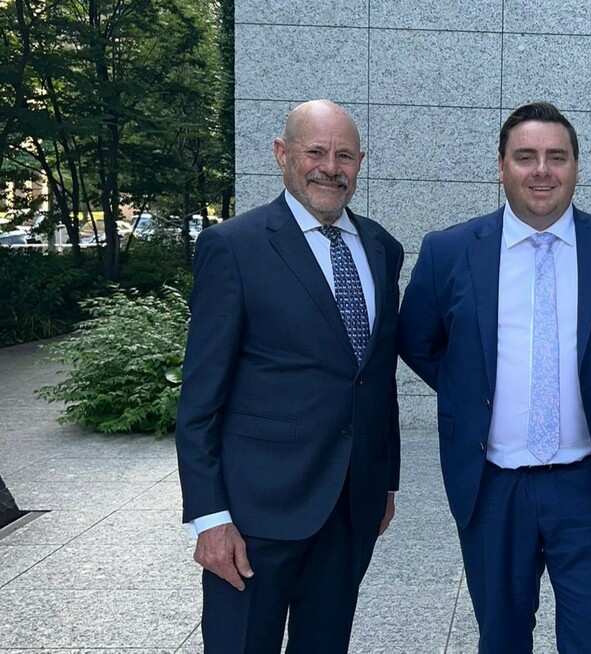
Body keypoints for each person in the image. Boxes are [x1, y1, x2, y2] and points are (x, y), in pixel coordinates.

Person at [398, 101, 591, 653]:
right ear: (501, 166)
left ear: (576, 166)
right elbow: (416, 340)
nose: (542, 170)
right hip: (493, 489)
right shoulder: (448, 251)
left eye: (557, 156)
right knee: (501, 641)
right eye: (525, 156)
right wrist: (474, 394)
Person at [175, 99, 403, 653]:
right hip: (254, 516)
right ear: (282, 154)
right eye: (315, 151)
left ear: (361, 162)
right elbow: (200, 400)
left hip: (349, 510)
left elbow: (376, 377)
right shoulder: (234, 247)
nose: (331, 167)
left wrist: (384, 481)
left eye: (344, 155)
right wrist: (209, 517)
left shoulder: (382, 248)